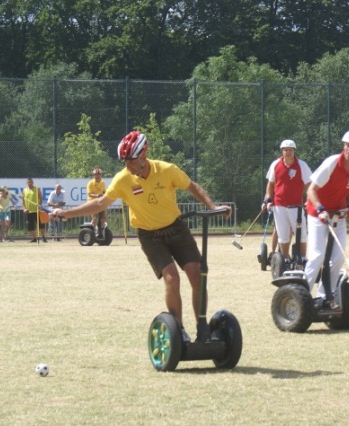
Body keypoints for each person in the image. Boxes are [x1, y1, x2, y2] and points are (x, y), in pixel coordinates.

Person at [50, 131, 231, 343]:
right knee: (172, 278)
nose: (127, 165)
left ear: (143, 155)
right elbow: (100, 204)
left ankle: (202, 327)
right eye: (125, 161)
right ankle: (178, 331)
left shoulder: (167, 170)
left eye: (131, 161)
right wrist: (65, 213)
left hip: (176, 228)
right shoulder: (123, 179)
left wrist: (213, 206)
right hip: (149, 235)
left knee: (197, 274)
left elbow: (192, 187)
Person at [303, 130, 349, 302]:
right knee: (317, 255)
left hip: (338, 215)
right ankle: (302, 296)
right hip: (317, 213)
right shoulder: (331, 163)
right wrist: (321, 209)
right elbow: (311, 191)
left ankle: (324, 296)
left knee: (338, 258)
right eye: (347, 145)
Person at [262, 139, 312, 264]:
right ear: (282, 151)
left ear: (294, 151)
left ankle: (303, 258)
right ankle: (285, 258)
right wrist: (268, 199)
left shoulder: (302, 165)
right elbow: (270, 184)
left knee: (301, 233)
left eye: (290, 150)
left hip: (296, 205)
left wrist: (309, 199)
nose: (288, 152)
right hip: (279, 205)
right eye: (285, 150)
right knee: (283, 234)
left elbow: (308, 185)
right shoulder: (275, 164)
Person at [22, 177, 47, 243]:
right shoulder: (25, 190)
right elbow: (23, 201)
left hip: (36, 210)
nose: (30, 183)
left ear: (33, 182)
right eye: (29, 182)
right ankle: (34, 238)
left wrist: (39, 205)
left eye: (31, 182)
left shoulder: (36, 189)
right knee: (30, 225)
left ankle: (43, 237)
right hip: (29, 211)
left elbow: (40, 198)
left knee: (40, 224)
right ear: (27, 183)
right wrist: (24, 208)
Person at [87, 167, 106, 237]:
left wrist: (103, 195)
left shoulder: (102, 182)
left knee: (104, 218)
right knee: (95, 218)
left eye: (98, 174)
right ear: (93, 175)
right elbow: (89, 194)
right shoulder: (90, 183)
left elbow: (104, 192)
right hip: (92, 203)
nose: (97, 176)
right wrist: (97, 195)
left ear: (101, 175)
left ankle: (98, 230)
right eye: (95, 174)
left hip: (100, 203)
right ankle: (89, 230)